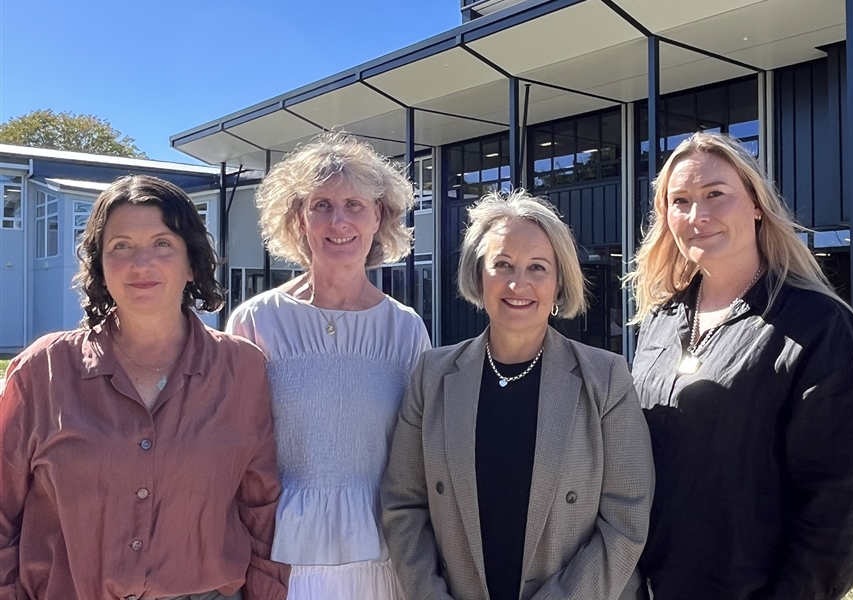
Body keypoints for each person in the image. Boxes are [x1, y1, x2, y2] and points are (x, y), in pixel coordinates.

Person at [628, 132, 853, 599]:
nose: (697, 215)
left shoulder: (823, 330)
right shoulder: (660, 321)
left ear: (755, 204)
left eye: (715, 194)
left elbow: (841, 512)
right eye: (680, 201)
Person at [0, 175, 285, 600]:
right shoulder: (44, 370)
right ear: (100, 264)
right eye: (121, 246)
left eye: (162, 243)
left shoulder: (242, 369)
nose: (141, 263)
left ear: (192, 263)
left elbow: (262, 508)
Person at [381, 190, 654, 600]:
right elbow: (403, 506)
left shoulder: (606, 378)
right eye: (502, 264)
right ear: (478, 275)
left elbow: (626, 520)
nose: (517, 283)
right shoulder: (432, 376)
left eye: (537, 267)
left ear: (559, 281)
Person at [226, 132, 430, 600]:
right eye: (321, 205)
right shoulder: (256, 321)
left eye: (355, 204)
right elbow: (232, 447)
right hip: (282, 560)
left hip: (383, 559)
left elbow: (418, 453)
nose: (339, 220)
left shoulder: (405, 330)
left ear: (379, 215)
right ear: (298, 218)